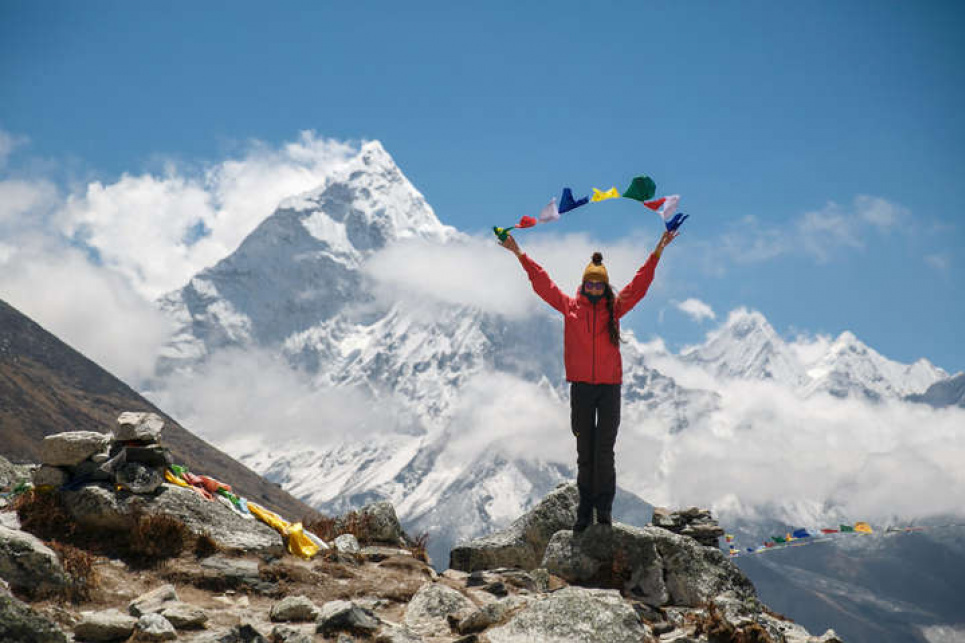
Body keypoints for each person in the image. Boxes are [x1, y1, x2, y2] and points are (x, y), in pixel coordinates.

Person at [500, 229, 677, 532]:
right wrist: (519, 254)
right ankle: (584, 512)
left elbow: (639, 285)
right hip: (581, 388)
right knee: (585, 452)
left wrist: (657, 252)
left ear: (605, 287)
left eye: (599, 284)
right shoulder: (570, 308)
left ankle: (604, 510)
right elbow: (543, 284)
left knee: (604, 451)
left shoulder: (615, 309)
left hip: (609, 389)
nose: (594, 287)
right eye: (590, 283)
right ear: (584, 285)